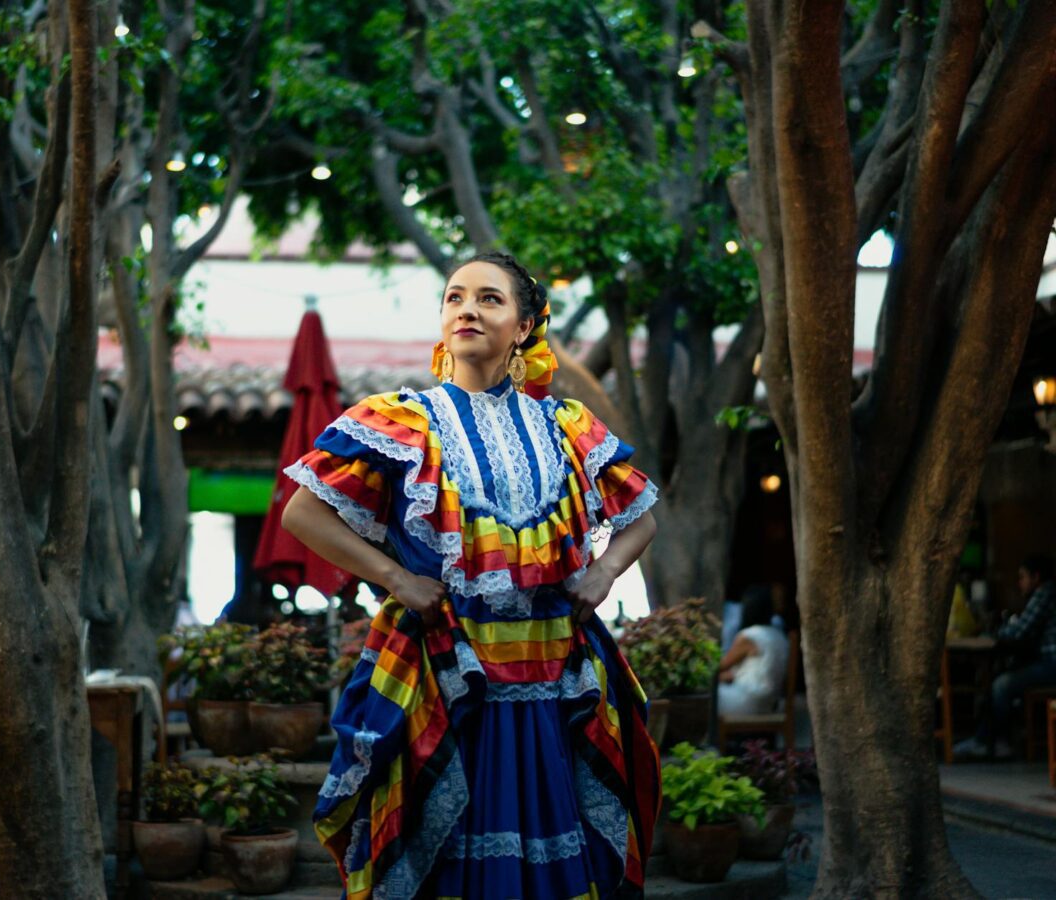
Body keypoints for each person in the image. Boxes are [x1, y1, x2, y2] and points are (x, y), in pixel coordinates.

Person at [281, 251, 661, 899]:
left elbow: (641, 516)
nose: (467, 310)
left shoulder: (567, 425)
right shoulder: (399, 419)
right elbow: (303, 513)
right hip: (443, 675)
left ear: (524, 326)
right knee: (447, 845)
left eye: (489, 299)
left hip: (551, 679)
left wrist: (604, 575)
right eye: (456, 297)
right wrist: (396, 579)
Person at [954, 554, 1056, 760]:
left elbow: (1019, 631)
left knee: (1002, 684)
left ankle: (992, 741)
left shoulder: (1045, 592)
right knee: (1007, 674)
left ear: (1036, 577)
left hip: (1052, 665)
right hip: (1047, 662)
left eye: (1022, 577)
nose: (1019, 583)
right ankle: (995, 738)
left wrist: (992, 634)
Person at [717, 585, 790, 716]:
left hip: (748, 701)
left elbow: (719, 667)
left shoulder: (749, 636)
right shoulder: (779, 635)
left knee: (703, 695)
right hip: (768, 702)